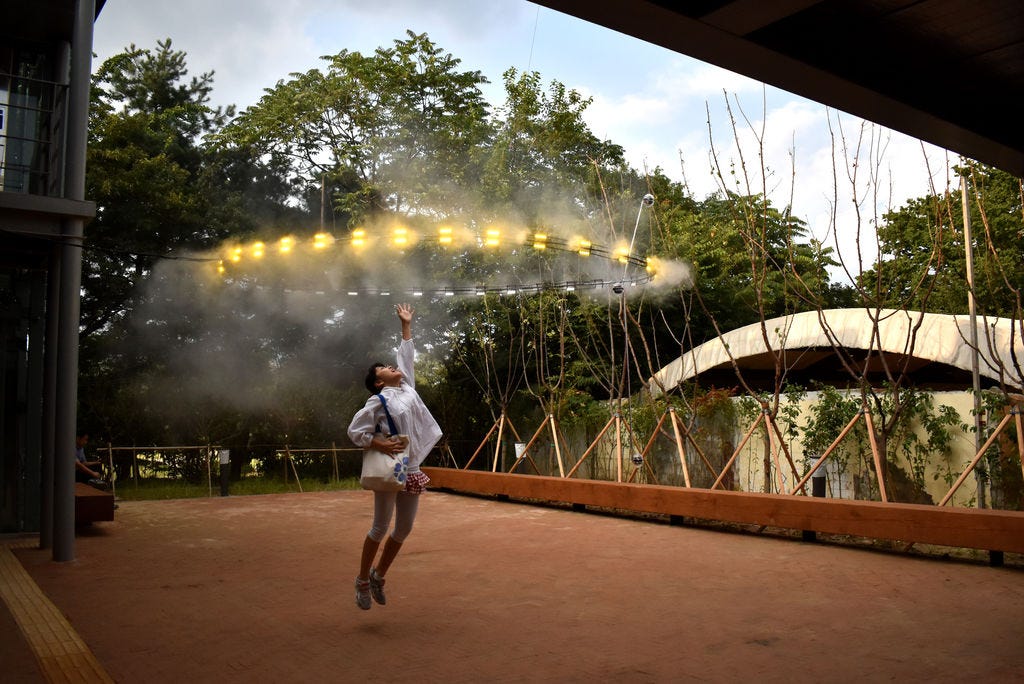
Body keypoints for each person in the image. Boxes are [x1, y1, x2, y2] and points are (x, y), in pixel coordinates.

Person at [347, 303, 442, 611]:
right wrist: (379, 444)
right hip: (391, 468)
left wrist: (406, 325)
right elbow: (355, 431)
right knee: (379, 526)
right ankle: (362, 579)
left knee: (403, 530)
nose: (392, 367)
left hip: (411, 467)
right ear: (378, 381)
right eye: (385, 368)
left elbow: (406, 356)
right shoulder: (377, 400)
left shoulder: (408, 390)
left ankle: (378, 575)